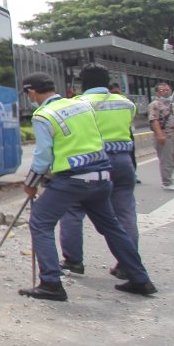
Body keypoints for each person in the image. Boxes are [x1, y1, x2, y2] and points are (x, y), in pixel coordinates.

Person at [19, 72, 157, 301]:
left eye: (28, 93)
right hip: (103, 176)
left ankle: (51, 283)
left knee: (40, 222)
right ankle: (140, 279)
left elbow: (43, 157)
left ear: (32, 91)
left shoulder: (43, 115)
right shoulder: (81, 106)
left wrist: (31, 184)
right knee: (112, 226)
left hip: (73, 178)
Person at [57, 64, 139, 279]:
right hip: (123, 163)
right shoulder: (126, 104)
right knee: (125, 213)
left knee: (73, 209)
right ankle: (127, 264)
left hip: (91, 162)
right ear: (108, 81)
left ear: (81, 83)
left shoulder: (76, 105)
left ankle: (73, 261)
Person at [149, 82, 174, 190]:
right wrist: (160, 135)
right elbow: (154, 120)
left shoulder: (172, 105)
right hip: (165, 137)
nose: (166, 92)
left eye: (167, 90)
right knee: (167, 160)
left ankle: (169, 179)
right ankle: (167, 183)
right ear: (157, 93)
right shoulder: (155, 104)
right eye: (162, 90)